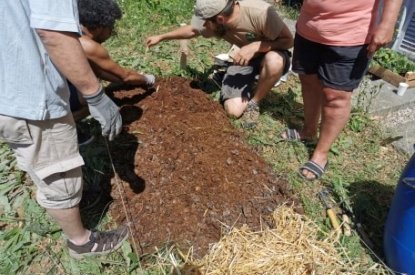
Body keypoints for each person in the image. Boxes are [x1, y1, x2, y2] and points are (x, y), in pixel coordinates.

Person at [0, 0, 128, 258]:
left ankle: (57, 198)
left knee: (39, 160)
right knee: (58, 173)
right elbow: (54, 33)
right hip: (31, 98)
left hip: (10, 94)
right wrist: (95, 95)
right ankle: (81, 241)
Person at [282, 0, 403, 180]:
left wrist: (387, 23)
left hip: (351, 33)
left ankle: (321, 153)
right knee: (308, 81)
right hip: (309, 27)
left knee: (335, 96)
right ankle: (308, 130)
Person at [146, 0, 293, 128]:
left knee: (274, 61)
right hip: (242, 60)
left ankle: (254, 102)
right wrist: (161, 37)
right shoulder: (215, 21)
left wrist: (256, 47)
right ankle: (229, 75)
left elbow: (288, 40)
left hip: (272, 53)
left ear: (221, 19)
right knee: (233, 111)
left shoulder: (260, 13)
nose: (202, 26)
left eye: (205, 23)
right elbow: (192, 30)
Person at [70, 0, 155, 121]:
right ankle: (64, 123)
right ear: (101, 27)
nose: (111, 31)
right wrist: (147, 79)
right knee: (95, 97)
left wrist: (124, 80)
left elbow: (102, 72)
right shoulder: (89, 46)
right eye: (111, 26)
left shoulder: (71, 33)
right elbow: (126, 76)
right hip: (51, 98)